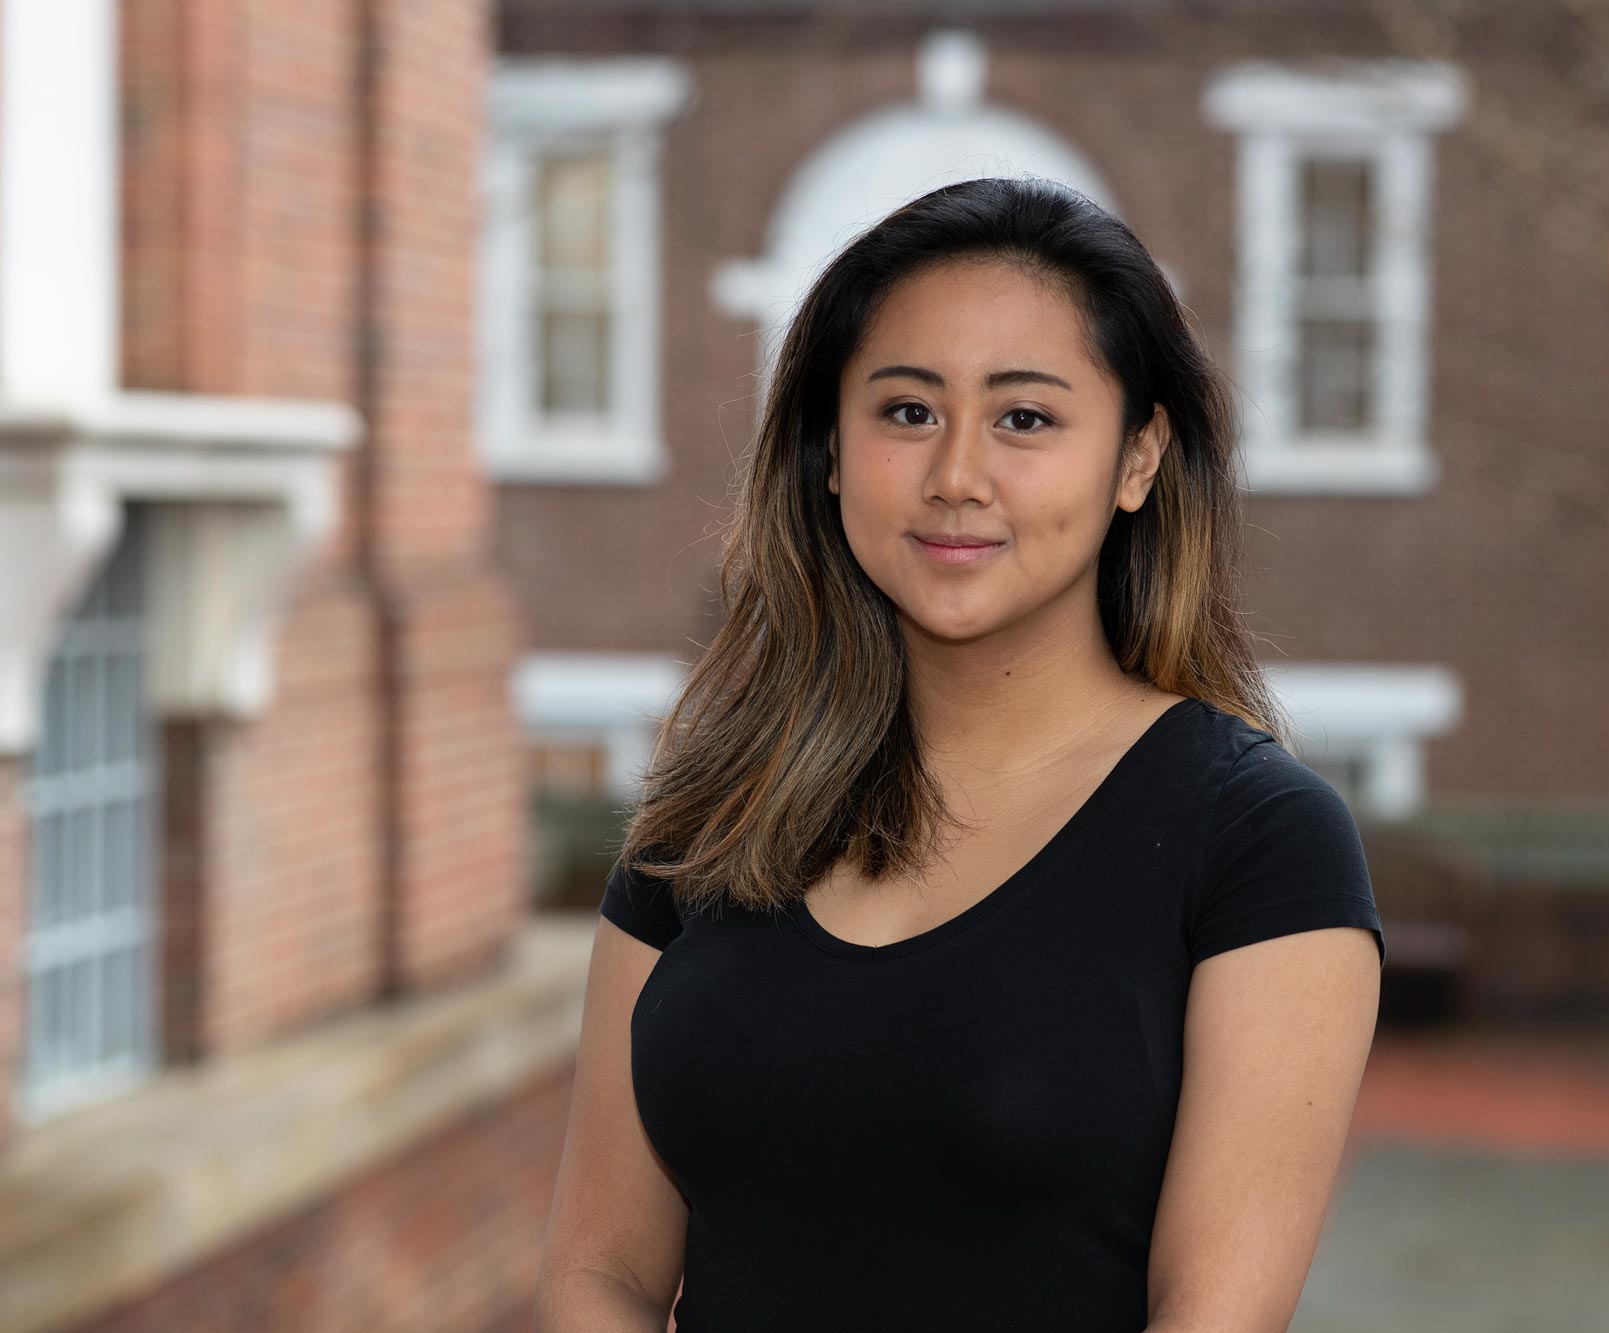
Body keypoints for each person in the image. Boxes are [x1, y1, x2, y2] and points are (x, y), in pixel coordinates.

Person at [535, 175, 1386, 1333]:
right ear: (828, 448)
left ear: (1136, 459)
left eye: (1024, 418)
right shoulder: (709, 816)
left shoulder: (1253, 841)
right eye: (905, 411)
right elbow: (600, 1273)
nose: (955, 476)